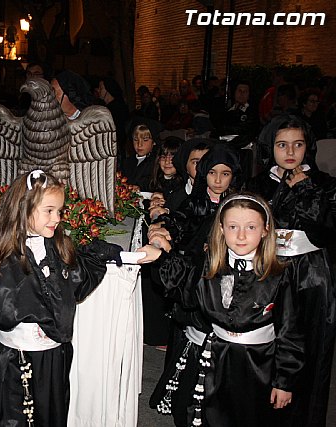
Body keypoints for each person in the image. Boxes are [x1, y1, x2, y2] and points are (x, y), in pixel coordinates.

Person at [0, 170, 124, 426]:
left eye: (60, 211)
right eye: (49, 211)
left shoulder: (58, 248)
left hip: (53, 359)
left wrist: (99, 254)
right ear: (23, 210)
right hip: (16, 361)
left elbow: (77, 283)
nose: (57, 218)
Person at [139, 192, 304, 427]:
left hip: (258, 363)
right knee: (211, 414)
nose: (241, 235)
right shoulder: (211, 267)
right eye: (233, 227)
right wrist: (160, 257)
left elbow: (291, 330)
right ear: (221, 229)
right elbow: (186, 284)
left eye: (251, 227)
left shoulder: (280, 274)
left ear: (265, 230)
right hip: (217, 357)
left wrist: (284, 381)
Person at [247, 114, 336, 427]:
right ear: (270, 147)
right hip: (268, 270)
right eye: (282, 145)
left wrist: (306, 189)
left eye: (297, 144)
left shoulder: (324, 184)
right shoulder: (259, 184)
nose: (290, 151)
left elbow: (327, 231)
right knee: (265, 343)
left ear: (307, 147)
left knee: (312, 347)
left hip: (312, 275)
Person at [120, 124, 157, 191]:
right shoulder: (127, 162)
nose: (139, 144)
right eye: (136, 139)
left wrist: (140, 188)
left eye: (145, 140)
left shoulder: (156, 163)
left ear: (154, 142)